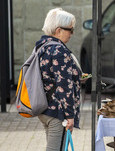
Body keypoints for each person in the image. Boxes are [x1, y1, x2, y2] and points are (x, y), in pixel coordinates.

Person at [37, 8, 84, 151]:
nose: (72, 33)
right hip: (57, 112)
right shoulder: (59, 51)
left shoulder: (42, 47)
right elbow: (64, 86)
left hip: (45, 108)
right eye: (70, 29)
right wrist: (70, 116)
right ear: (58, 30)